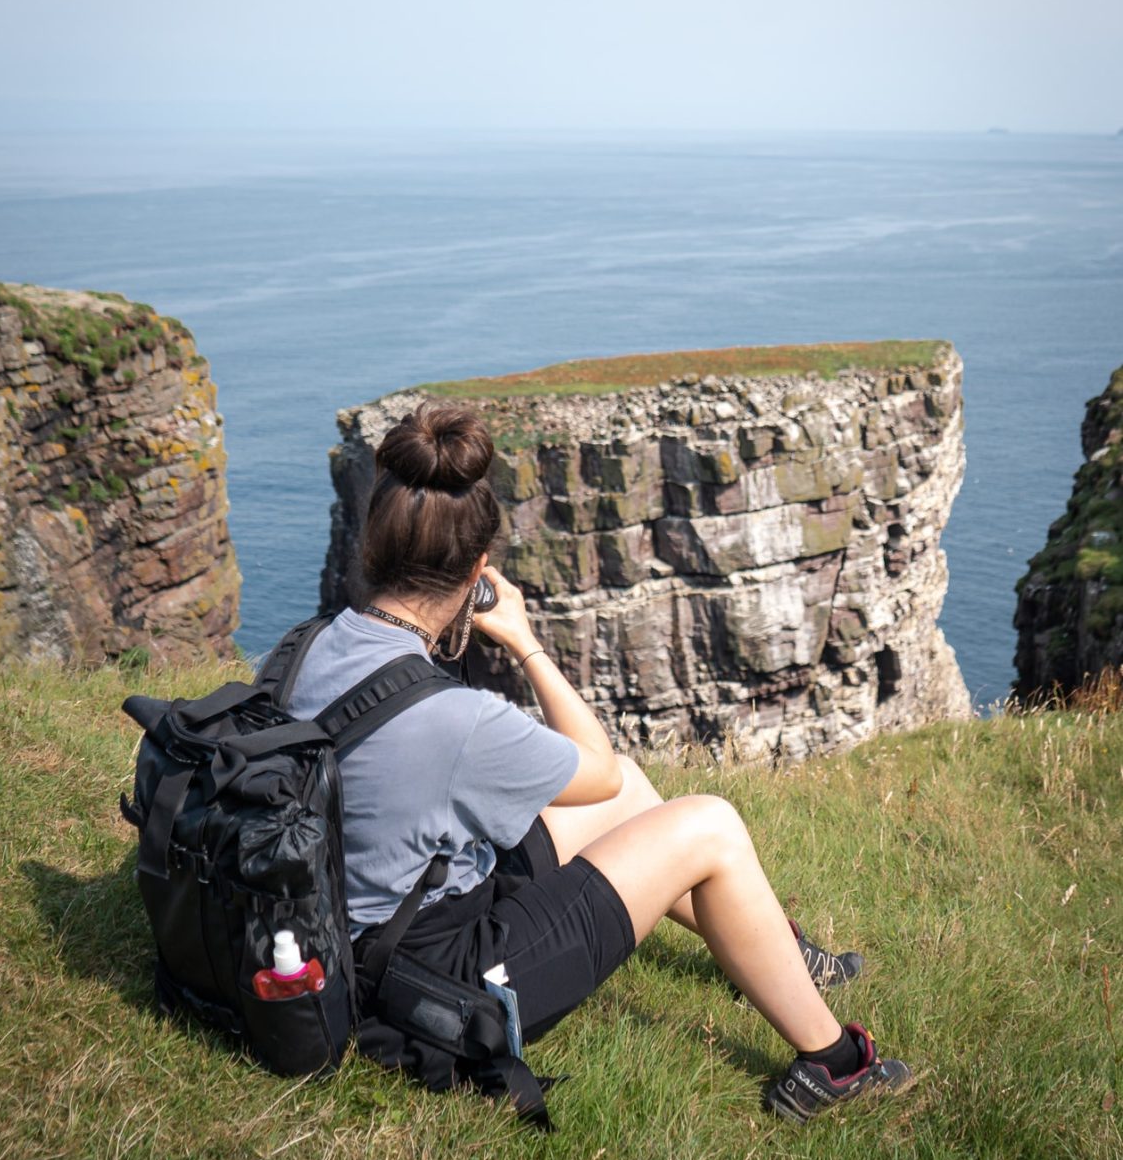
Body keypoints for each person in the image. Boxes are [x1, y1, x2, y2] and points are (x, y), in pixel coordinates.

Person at [287, 401, 913, 1123]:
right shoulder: (457, 720)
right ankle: (835, 1066)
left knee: (636, 799)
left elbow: (612, 793)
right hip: (423, 987)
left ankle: (770, 949)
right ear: (478, 572)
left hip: (346, 928)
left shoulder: (313, 645)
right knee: (707, 824)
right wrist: (523, 641)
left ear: (372, 546)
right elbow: (599, 766)